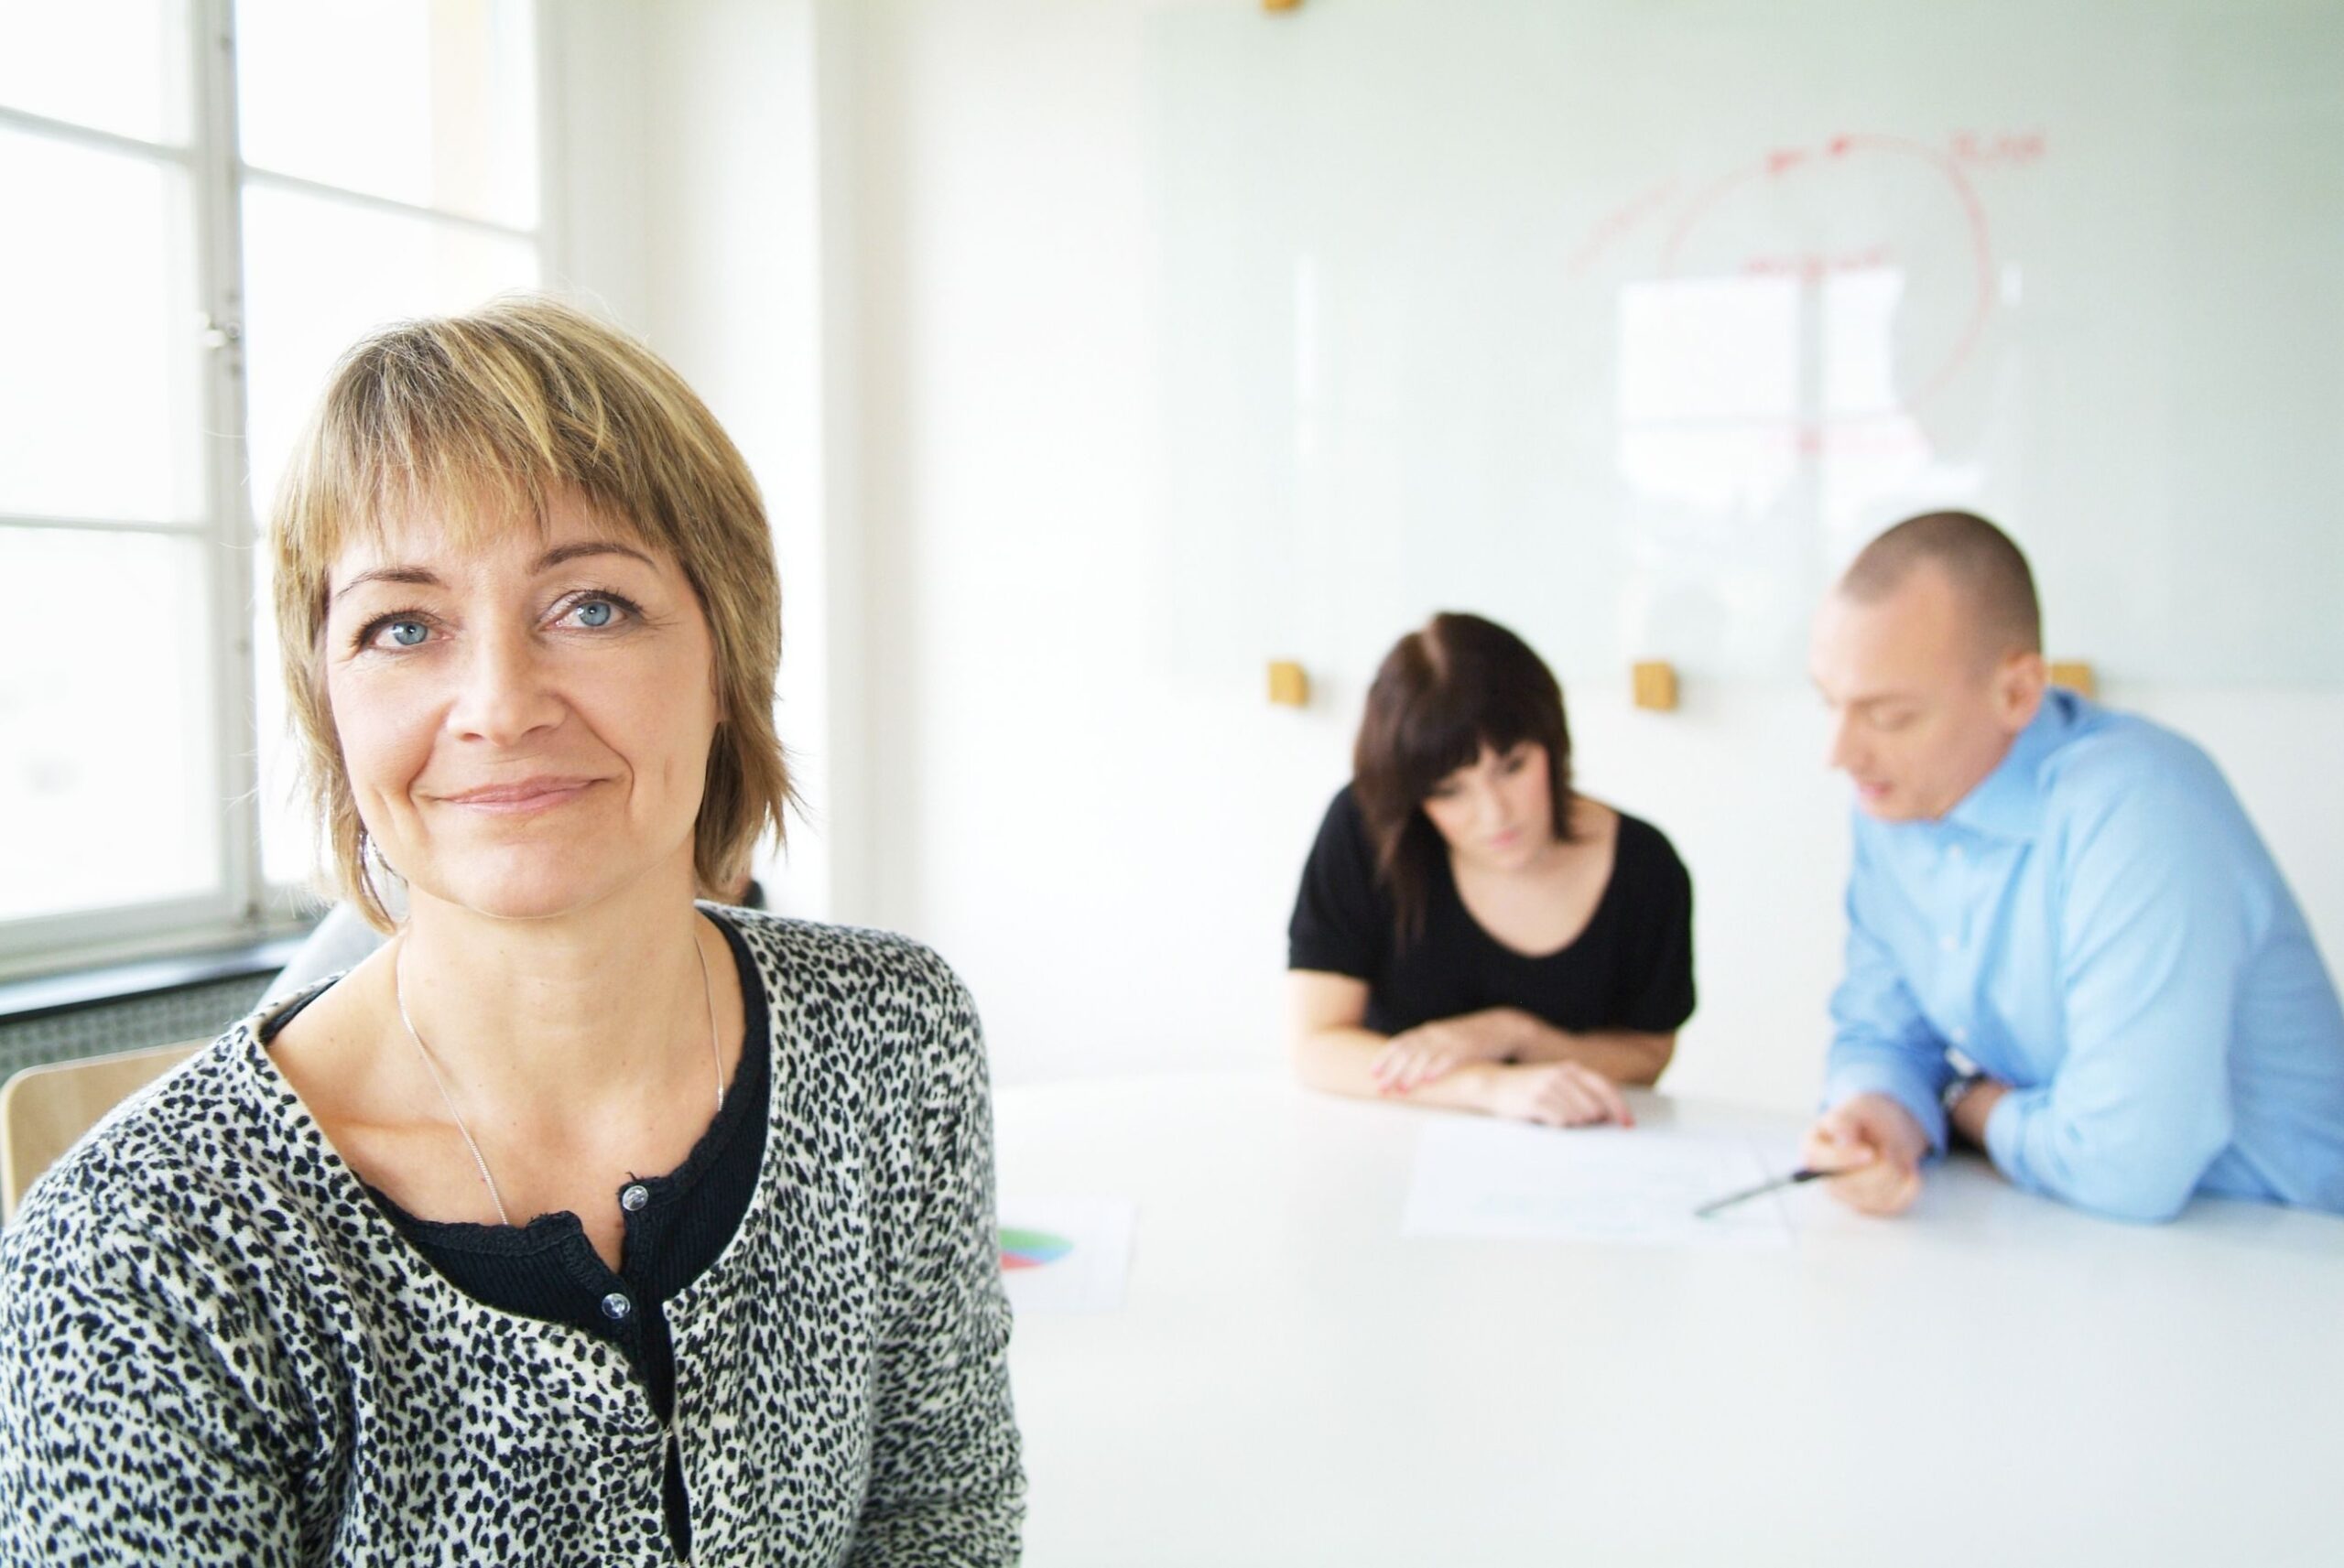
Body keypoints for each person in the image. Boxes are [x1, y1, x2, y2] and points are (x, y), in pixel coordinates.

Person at [0, 297, 1024, 1563]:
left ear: (724, 661)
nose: (499, 704)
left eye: (589, 605)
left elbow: (942, 1522)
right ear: (332, 710)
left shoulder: (890, 1033)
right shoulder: (141, 1252)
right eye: (403, 626)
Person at [1802, 511, 2344, 1222]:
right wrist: (1877, 1117)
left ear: (2018, 692)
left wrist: (1969, 1105)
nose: (1841, 753)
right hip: (2073, 1228)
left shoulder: (2136, 801)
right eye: (1831, 705)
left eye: (1891, 715)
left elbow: (2129, 1164)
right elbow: (1884, 1034)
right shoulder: (1896, 799)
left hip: (2283, 1243)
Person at [1287, 612, 1695, 1128]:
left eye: (1513, 767)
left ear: (1552, 744)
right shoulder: (1368, 830)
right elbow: (1317, 1046)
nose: (1494, 814)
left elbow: (1647, 1055)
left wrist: (1515, 1034)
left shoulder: (1645, 868)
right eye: (1448, 791)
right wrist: (1487, 1085)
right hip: (1388, 1139)